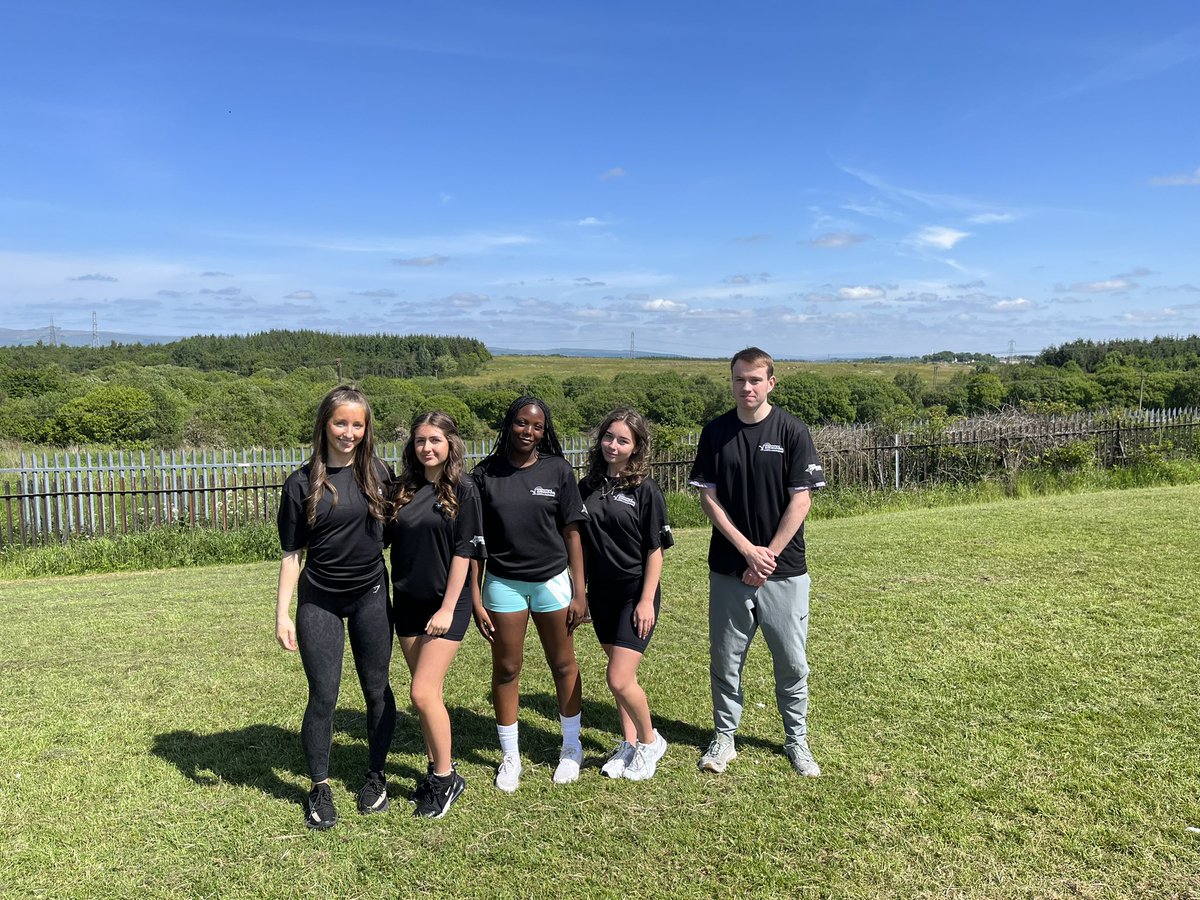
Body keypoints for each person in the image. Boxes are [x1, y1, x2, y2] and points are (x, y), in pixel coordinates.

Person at [688, 348, 826, 777]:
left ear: (771, 382)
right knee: (726, 659)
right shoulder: (715, 433)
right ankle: (725, 738)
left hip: (785, 570)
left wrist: (767, 556)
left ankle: (796, 741)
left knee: (791, 661)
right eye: (738, 380)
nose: (746, 388)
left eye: (754, 380)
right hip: (729, 567)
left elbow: (800, 499)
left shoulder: (792, 431)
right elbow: (708, 499)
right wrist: (747, 550)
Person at [275, 385, 397, 830]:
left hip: (369, 597)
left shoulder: (382, 475)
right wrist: (282, 613)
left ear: (366, 430)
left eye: (357, 425)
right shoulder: (301, 483)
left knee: (376, 690)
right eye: (340, 423)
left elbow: (400, 537)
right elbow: (292, 555)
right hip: (319, 600)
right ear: (325, 425)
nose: (349, 432)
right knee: (324, 695)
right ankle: (319, 786)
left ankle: (376, 777)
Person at [471, 395, 589, 791]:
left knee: (562, 664)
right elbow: (475, 544)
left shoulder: (557, 470)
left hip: (552, 581)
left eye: (537, 426)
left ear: (545, 431)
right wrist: (475, 595)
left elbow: (572, 532)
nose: (529, 431)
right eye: (522, 423)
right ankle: (510, 755)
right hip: (503, 583)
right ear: (509, 424)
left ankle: (572, 748)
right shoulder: (485, 474)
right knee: (506, 668)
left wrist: (580, 591)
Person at [386, 411, 486, 819]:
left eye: (435, 440)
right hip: (407, 600)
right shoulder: (402, 488)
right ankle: (435, 767)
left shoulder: (464, 489)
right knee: (428, 696)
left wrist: (448, 606)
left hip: (448, 605)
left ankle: (446, 780)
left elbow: (465, 551)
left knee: (422, 693)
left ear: (450, 444)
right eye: (420, 440)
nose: (427, 448)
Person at [578, 408, 673, 781]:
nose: (613, 445)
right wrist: (580, 592)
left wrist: (647, 599)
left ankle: (650, 742)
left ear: (636, 447)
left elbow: (655, 550)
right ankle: (629, 744)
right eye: (608, 437)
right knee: (623, 680)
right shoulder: (586, 487)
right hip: (600, 594)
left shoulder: (645, 489)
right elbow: (580, 544)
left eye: (622, 440)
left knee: (618, 677)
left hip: (635, 593)